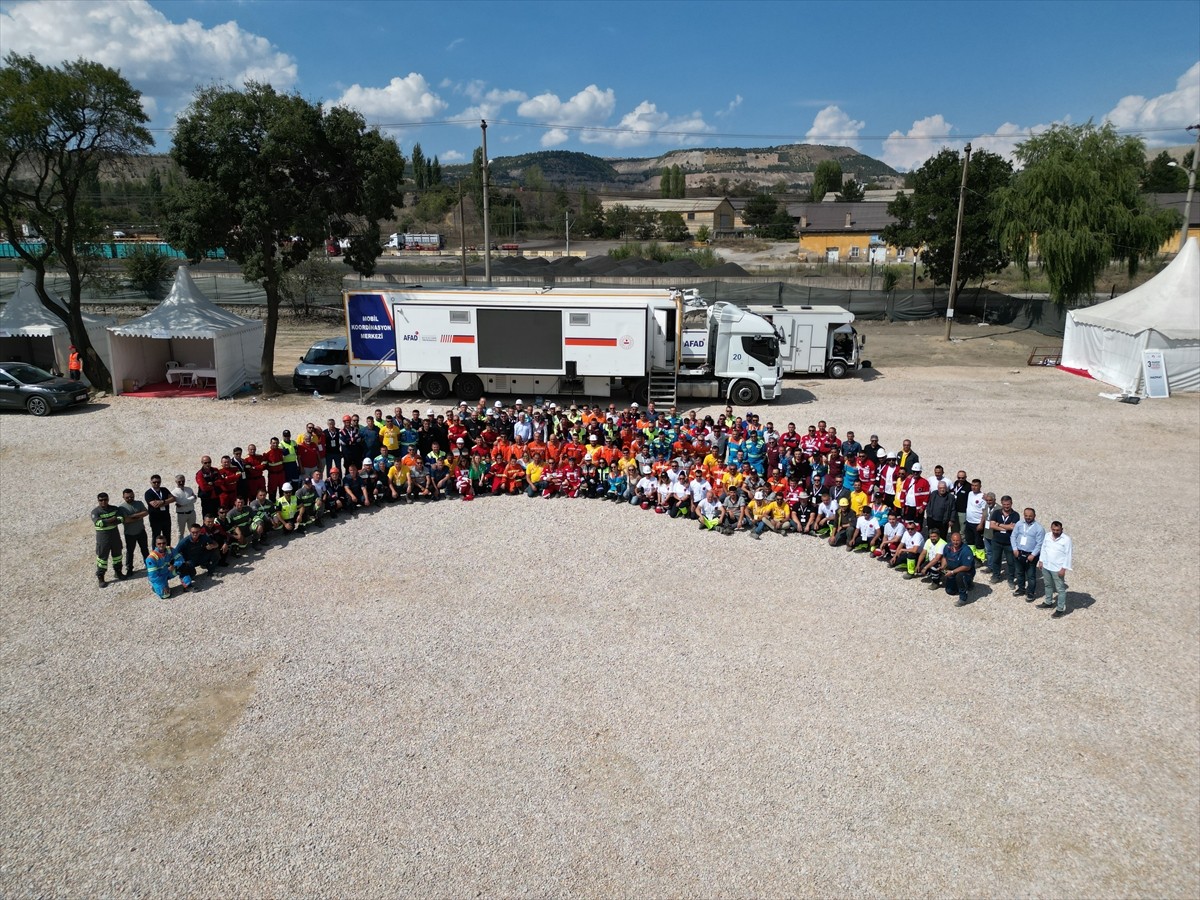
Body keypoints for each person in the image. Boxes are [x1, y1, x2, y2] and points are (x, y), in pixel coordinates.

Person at [1037, 521, 1074, 617]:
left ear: (1062, 529)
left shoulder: (1066, 539)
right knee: (1048, 585)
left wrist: (1064, 568)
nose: (1055, 532)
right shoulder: (1047, 536)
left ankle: (1060, 609)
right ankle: (1048, 602)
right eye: (1053, 529)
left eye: (1057, 530)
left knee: (1060, 589)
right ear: (1051, 528)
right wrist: (1041, 560)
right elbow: (1043, 548)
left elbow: (1068, 554)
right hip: (1046, 565)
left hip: (1057, 568)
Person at [1011, 507, 1046, 601]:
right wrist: (1014, 549)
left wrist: (1033, 555)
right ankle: (1021, 589)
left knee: (1031, 575)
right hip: (1018, 552)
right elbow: (1013, 536)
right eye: (1026, 515)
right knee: (1019, 572)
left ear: (1034, 516)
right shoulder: (1019, 524)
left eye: (1030, 516)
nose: (1028, 517)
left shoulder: (1039, 528)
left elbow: (1040, 543)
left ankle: (1030, 593)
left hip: (1030, 555)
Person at [91, 492, 125, 586]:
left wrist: (106, 521)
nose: (103, 502)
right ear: (98, 501)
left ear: (108, 499)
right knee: (102, 558)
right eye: (101, 500)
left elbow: (121, 519)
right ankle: (101, 577)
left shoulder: (114, 508)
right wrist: (112, 519)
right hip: (103, 539)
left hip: (115, 537)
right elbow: (99, 523)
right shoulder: (95, 512)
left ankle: (118, 572)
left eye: (105, 499)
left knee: (117, 555)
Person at [145, 534, 191, 599]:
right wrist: (163, 585)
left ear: (166, 543)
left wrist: (174, 566)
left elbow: (181, 559)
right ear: (156, 544)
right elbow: (153, 576)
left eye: (163, 543)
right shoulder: (151, 558)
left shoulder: (170, 549)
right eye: (159, 543)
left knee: (184, 566)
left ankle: (187, 585)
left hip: (169, 572)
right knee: (165, 595)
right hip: (159, 577)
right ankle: (156, 588)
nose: (162, 545)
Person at [939, 532, 977, 607]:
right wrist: (943, 566)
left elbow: (967, 567)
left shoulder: (966, 550)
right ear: (951, 539)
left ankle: (963, 598)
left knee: (960, 576)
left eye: (957, 541)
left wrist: (952, 572)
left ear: (961, 540)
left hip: (965, 572)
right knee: (950, 591)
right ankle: (961, 585)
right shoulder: (947, 547)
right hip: (952, 570)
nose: (955, 542)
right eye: (954, 540)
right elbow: (944, 557)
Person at [118, 487, 150, 574]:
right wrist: (138, 517)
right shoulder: (121, 508)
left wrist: (132, 516)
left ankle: (149, 565)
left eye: (131, 496)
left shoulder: (139, 503)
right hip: (129, 534)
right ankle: (129, 569)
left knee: (144, 549)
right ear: (123, 497)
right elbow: (126, 520)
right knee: (130, 551)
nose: (130, 498)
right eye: (127, 497)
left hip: (141, 531)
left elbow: (146, 512)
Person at [988, 495, 1019, 584]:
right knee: (996, 559)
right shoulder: (996, 513)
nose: (1006, 506)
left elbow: (1013, 527)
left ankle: (1011, 579)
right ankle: (996, 575)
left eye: (1008, 504)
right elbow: (992, 525)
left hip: (1009, 543)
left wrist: (999, 524)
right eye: (1004, 504)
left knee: (1011, 562)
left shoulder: (1015, 515)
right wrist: (1006, 527)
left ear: (1011, 504)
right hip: (996, 541)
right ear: (1001, 503)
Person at [144, 474, 174, 545]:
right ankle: (155, 554)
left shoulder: (164, 489)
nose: (156, 484)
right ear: (151, 482)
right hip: (155, 518)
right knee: (156, 536)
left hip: (166, 517)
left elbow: (173, 498)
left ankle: (168, 552)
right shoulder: (148, 493)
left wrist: (162, 501)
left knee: (167, 536)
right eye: (154, 482)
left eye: (158, 482)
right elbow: (155, 505)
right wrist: (166, 501)